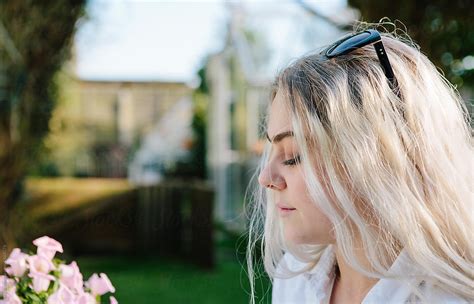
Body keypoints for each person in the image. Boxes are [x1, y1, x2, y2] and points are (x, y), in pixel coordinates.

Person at [246, 24, 473, 304]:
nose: (266, 177)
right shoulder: (295, 281)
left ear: (379, 159)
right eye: (271, 150)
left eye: (294, 154)